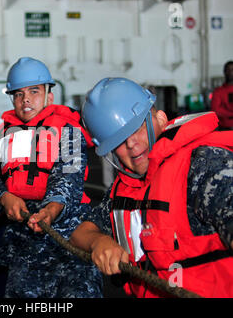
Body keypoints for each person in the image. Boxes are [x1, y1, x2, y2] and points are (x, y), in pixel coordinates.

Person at [70, 77, 233, 298]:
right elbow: (81, 230)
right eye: (118, 140)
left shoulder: (205, 165)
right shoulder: (127, 186)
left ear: (161, 118)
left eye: (137, 128)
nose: (131, 144)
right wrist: (98, 240)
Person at [0, 57, 102, 298]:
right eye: (18, 94)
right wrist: (4, 197)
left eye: (34, 91)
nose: (25, 99)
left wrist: (52, 208)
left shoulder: (68, 131)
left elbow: (70, 175)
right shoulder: (4, 135)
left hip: (68, 240)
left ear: (49, 96)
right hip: (23, 244)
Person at [211, 60, 233, 130]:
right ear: (224, 72)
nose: (230, 72)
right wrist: (231, 114)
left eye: (232, 70)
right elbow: (216, 110)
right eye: (228, 70)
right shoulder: (218, 91)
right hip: (225, 129)